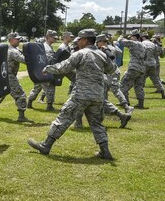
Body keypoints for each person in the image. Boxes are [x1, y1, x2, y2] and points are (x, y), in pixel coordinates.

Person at [28, 29, 117, 160]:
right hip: (98, 96)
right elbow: (112, 69)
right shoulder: (101, 55)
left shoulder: (81, 53)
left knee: (64, 117)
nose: (78, 43)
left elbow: (65, 67)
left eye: (79, 40)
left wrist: (48, 68)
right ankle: (105, 151)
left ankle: (46, 145)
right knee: (97, 123)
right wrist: (106, 55)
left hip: (81, 94)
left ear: (85, 40)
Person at [0, 32, 32, 122]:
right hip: (10, 77)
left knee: (1, 94)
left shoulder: (7, 49)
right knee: (20, 95)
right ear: (11, 40)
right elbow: (25, 60)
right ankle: (21, 116)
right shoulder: (13, 51)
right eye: (17, 39)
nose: (19, 40)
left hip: (4, 75)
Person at [96, 34, 132, 128]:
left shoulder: (104, 50)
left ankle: (126, 108)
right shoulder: (112, 48)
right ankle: (103, 113)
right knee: (103, 94)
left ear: (101, 41)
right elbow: (120, 52)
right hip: (113, 71)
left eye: (98, 42)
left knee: (114, 91)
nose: (97, 43)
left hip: (110, 73)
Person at [27, 30, 58, 111]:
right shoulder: (45, 48)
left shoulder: (48, 46)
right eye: (53, 37)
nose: (55, 39)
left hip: (41, 71)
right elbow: (47, 60)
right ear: (48, 37)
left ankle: (29, 102)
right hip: (45, 71)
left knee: (37, 88)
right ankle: (49, 106)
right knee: (50, 88)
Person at [119, 30, 148, 109]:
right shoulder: (144, 45)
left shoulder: (133, 43)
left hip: (133, 68)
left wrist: (121, 37)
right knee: (138, 86)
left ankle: (126, 103)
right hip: (142, 68)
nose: (130, 38)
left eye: (131, 37)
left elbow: (121, 42)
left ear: (134, 37)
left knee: (123, 85)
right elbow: (145, 57)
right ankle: (140, 104)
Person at [141, 33, 165, 99]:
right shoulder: (155, 45)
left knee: (141, 79)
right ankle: (162, 93)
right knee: (155, 79)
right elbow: (161, 55)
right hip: (154, 63)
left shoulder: (143, 44)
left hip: (145, 63)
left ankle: (140, 95)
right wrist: (162, 48)